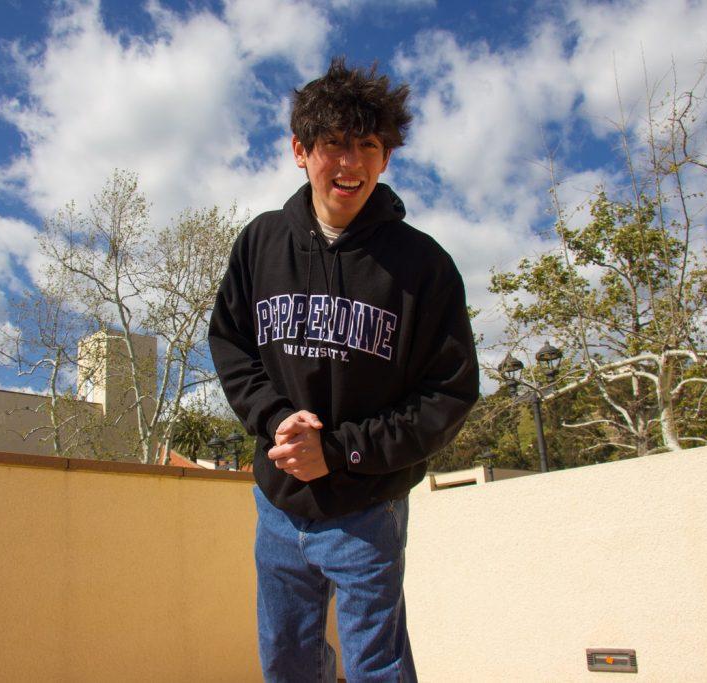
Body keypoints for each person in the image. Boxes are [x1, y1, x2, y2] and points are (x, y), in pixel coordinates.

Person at [208, 57, 479, 682]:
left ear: (385, 158)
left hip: (368, 507)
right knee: (286, 663)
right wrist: (275, 418)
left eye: (368, 145)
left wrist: (340, 451)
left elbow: (449, 393)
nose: (350, 163)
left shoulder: (424, 266)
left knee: (375, 669)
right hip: (278, 506)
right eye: (333, 144)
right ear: (300, 151)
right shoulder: (260, 243)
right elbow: (230, 345)